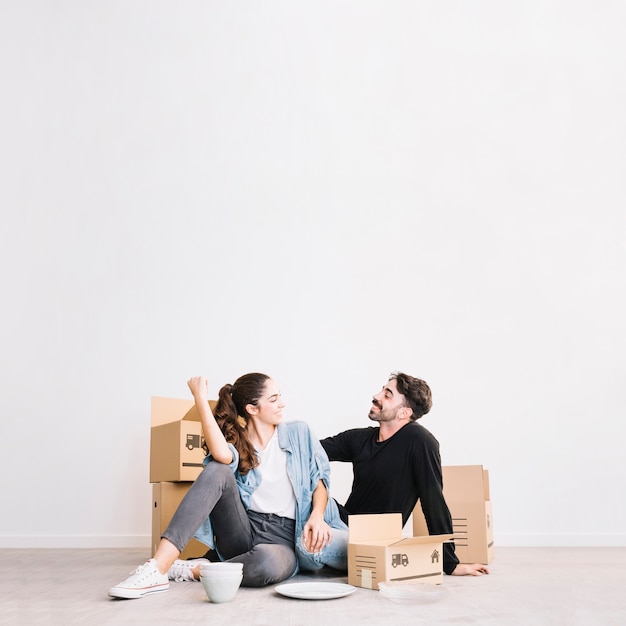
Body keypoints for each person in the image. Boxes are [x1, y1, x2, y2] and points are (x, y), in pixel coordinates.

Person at [109, 373, 348, 599]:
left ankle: (197, 570)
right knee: (217, 469)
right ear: (252, 409)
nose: (282, 404)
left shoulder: (299, 432)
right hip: (244, 530)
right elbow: (222, 455)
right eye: (274, 399)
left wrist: (317, 516)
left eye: (280, 397)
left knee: (267, 564)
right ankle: (157, 568)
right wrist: (200, 399)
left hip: (286, 539)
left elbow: (319, 481)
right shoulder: (239, 441)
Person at [320, 371, 489, 577]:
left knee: (307, 541)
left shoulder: (419, 442)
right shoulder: (360, 438)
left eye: (387, 394)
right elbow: (311, 452)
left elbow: (433, 503)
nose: (377, 395)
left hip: (373, 540)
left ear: (404, 413)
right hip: (343, 522)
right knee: (303, 457)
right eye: (383, 389)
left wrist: (450, 564)